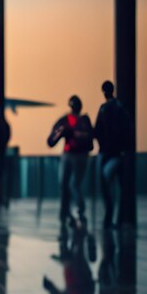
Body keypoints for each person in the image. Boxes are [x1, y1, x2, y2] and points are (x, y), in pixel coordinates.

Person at [47, 95, 94, 226]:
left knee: (65, 184)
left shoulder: (66, 120)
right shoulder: (85, 120)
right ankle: (77, 211)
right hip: (82, 156)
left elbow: (51, 140)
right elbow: (91, 138)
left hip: (68, 155)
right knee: (75, 184)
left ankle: (66, 212)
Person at [94, 80, 132, 228]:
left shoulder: (104, 109)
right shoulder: (121, 108)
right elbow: (128, 129)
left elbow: (97, 130)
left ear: (104, 92)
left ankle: (108, 218)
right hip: (119, 154)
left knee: (106, 187)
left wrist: (102, 144)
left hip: (106, 154)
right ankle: (120, 218)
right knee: (121, 188)